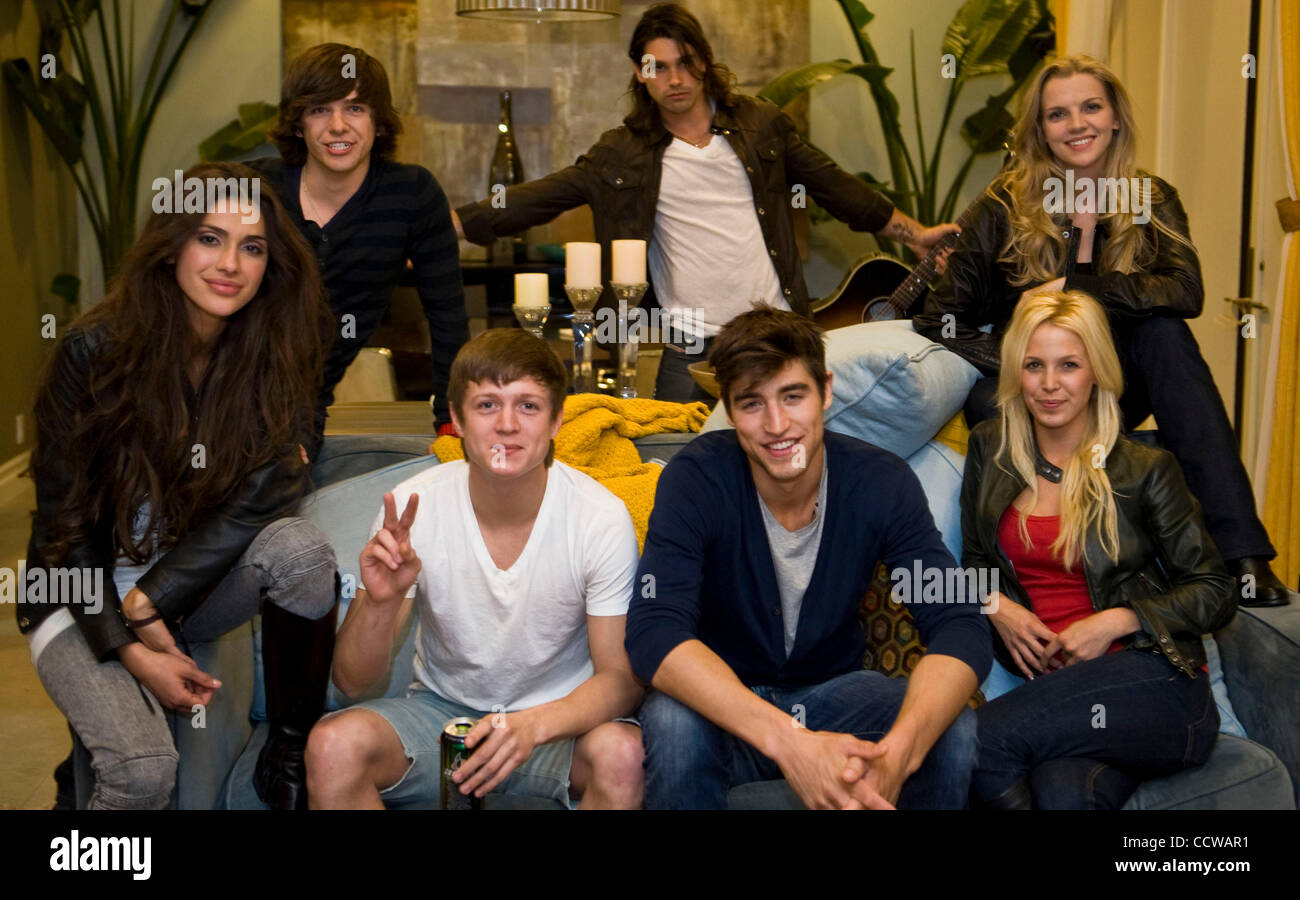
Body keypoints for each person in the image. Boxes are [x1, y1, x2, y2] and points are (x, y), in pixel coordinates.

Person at [19, 163, 339, 810]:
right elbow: (62, 529)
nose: (231, 264)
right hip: (75, 591)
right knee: (140, 774)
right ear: (171, 246)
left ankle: (289, 747)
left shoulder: (266, 351)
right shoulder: (93, 350)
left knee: (301, 550)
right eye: (209, 238)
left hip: (185, 586)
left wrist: (152, 602)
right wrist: (130, 645)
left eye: (252, 247)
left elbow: (274, 487)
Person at [915, 54, 1289, 606]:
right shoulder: (1003, 205)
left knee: (1165, 334)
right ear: (1040, 129)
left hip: (1112, 382)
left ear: (1115, 118)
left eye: (1091, 107)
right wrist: (1025, 360)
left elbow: (1185, 292)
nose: (1077, 124)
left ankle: (1242, 556)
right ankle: (1031, 580)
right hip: (1021, 388)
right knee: (996, 400)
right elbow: (937, 320)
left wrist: (1077, 288)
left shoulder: (1149, 198)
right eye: (1057, 114)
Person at [452, 3, 956, 402]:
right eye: (660, 68)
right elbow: (541, 196)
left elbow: (835, 185)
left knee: (789, 454)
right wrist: (448, 224)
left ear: (704, 62)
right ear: (639, 72)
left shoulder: (760, 126)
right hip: (688, 341)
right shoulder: (622, 153)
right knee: (671, 459)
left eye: (686, 65)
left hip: (775, 331)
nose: (676, 80)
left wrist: (916, 234)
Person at [624, 305, 989, 809]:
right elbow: (654, 632)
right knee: (671, 719)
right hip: (724, 708)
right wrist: (789, 743)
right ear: (729, 412)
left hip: (834, 696)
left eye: (793, 396)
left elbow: (958, 622)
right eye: (752, 403)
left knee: (953, 726)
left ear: (826, 390)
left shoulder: (879, 482)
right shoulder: (695, 479)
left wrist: (902, 750)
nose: (777, 425)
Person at [304, 330, 644, 809]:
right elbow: (352, 683)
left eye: (527, 406)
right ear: (458, 420)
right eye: (487, 405)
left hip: (557, 726)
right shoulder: (409, 508)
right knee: (332, 744)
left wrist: (532, 726)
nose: (507, 425)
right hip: (444, 717)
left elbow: (621, 680)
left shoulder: (600, 517)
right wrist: (379, 602)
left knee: (622, 753)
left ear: (556, 421)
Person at [963, 290, 1236, 809]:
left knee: (973, 740)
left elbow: (1216, 590)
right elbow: (975, 559)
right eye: (1033, 365)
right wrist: (996, 606)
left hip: (1156, 681)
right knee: (1064, 794)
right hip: (1066, 695)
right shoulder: (990, 448)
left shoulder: (1144, 468)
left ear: (1096, 372)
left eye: (1068, 365)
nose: (1049, 385)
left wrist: (1116, 620)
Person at [248, 42, 468, 458]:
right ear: (298, 124)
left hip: (298, 413)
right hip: (211, 398)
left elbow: (447, 317)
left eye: (355, 108)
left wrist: (452, 421)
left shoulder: (412, 195)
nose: (337, 126)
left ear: (378, 123)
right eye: (319, 110)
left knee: (272, 499)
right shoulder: (255, 190)